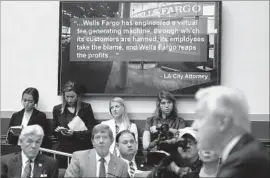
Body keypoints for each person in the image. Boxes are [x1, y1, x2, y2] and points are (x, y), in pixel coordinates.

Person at [192, 86, 270, 178]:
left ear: (222, 122)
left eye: (200, 118)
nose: (194, 126)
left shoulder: (241, 164)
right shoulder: (247, 152)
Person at [52, 81, 97, 168]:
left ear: (78, 96)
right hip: (63, 150)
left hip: (82, 148)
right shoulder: (57, 109)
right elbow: (53, 129)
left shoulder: (86, 108)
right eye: (67, 97)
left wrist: (74, 134)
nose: (69, 100)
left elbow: (92, 130)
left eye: (72, 97)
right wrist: (59, 131)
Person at [64, 124, 129, 178]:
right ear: (93, 141)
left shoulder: (122, 165)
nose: (101, 141)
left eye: (105, 137)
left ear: (111, 141)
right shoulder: (79, 158)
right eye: (97, 137)